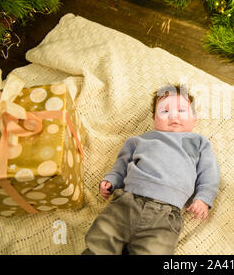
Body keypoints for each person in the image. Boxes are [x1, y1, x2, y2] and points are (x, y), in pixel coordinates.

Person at [82, 84, 220, 255]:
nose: (173, 115)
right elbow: (122, 163)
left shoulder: (198, 142)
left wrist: (204, 198)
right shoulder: (141, 140)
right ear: (155, 118)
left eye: (182, 110)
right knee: (102, 241)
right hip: (127, 202)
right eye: (165, 111)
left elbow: (209, 173)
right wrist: (111, 180)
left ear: (194, 118)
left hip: (165, 216)